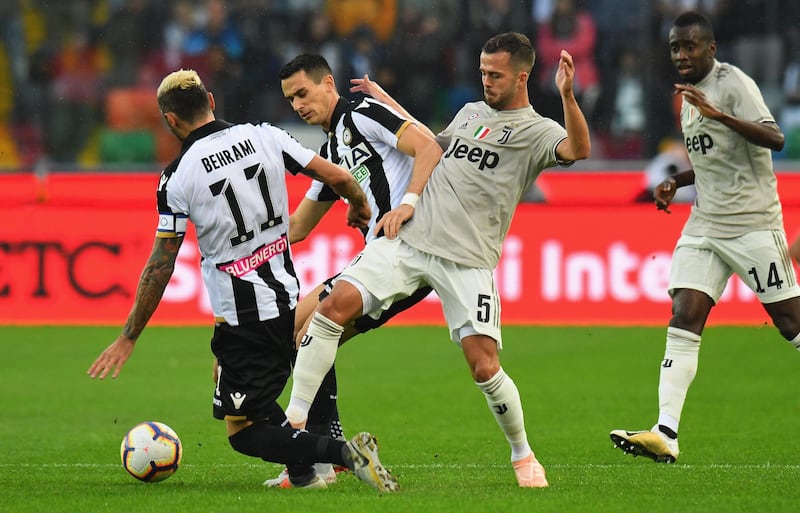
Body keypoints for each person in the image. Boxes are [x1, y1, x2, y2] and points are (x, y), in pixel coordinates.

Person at [284, 32, 591, 488]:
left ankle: (523, 456)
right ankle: (295, 431)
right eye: (482, 71)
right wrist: (392, 107)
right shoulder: (469, 113)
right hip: (409, 238)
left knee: (484, 366)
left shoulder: (537, 130)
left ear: (522, 77)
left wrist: (567, 96)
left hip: (467, 258)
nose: (485, 80)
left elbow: (578, 150)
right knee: (331, 309)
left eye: (496, 74)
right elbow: (433, 145)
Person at [86, 68, 399, 492]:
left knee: (245, 432)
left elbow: (161, 265)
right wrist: (359, 205)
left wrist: (129, 335)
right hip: (286, 295)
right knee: (269, 385)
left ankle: (343, 455)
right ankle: (306, 477)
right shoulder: (266, 135)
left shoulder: (177, 177)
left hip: (244, 316)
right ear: (211, 101)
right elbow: (339, 177)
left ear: (170, 120)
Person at [610, 11, 800, 464]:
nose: (681, 54)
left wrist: (720, 114)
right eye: (675, 47)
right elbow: (715, 159)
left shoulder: (733, 84)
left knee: (792, 324)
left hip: (752, 223)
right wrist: (677, 180)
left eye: (690, 46)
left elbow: (775, 138)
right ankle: (666, 432)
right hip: (705, 224)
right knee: (685, 312)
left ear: (711, 49)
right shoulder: (687, 96)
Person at [255, 53, 443, 488]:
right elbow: (299, 226)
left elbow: (427, 147)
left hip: (404, 252)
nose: (298, 105)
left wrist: (406, 204)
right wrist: (246, 235)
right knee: (300, 332)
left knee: (308, 328)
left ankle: (312, 450)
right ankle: (328, 449)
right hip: (380, 260)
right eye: (290, 99)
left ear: (327, 83)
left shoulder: (362, 113)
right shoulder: (331, 150)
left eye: (303, 93)